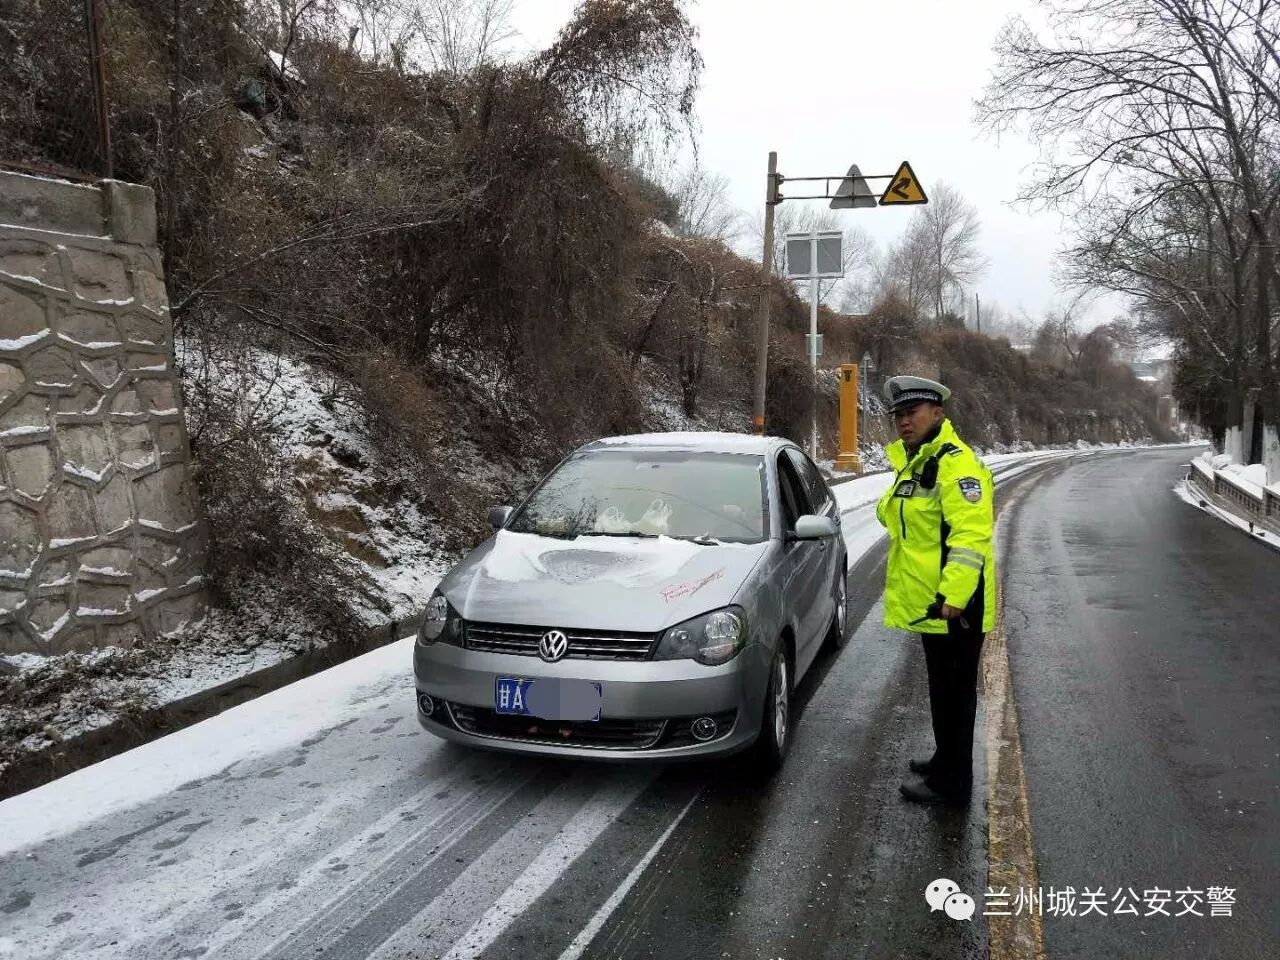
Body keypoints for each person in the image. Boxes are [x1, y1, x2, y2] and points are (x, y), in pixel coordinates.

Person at [874, 375, 996, 806]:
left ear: (938, 413)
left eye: (912, 413)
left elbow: (970, 534)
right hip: (933, 605)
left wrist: (955, 598)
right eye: (899, 416)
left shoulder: (954, 464)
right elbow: (897, 518)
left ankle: (953, 786)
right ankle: (946, 760)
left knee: (956, 698)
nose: (903, 422)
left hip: (955, 609)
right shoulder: (919, 461)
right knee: (941, 692)